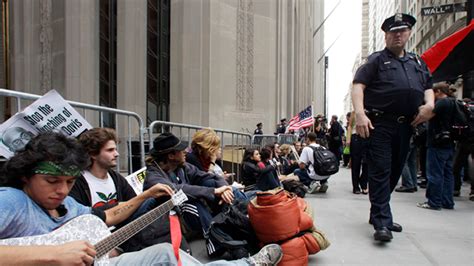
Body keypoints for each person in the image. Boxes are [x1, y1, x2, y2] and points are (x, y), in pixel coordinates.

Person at [0, 132, 283, 265]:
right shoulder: (12, 201)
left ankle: (243, 264)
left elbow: (108, 216)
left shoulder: (69, 205)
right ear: (26, 174)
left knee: (164, 254)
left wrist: (147, 196)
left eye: (70, 181)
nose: (62, 189)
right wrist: (52, 254)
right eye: (52, 181)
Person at [352, 13, 434, 242]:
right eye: (393, 32)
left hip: (407, 125)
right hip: (381, 124)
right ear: (386, 35)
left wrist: (430, 105)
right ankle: (382, 221)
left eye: (402, 31)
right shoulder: (377, 60)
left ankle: (379, 213)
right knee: (381, 171)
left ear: (408, 33)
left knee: (396, 170)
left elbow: (428, 85)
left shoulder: (417, 62)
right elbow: (358, 85)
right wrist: (359, 113)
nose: (398, 35)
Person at [70, 127, 182, 253]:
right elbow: (80, 222)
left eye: (115, 149)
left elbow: (134, 205)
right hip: (94, 243)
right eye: (110, 150)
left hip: (123, 235)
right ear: (93, 154)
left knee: (154, 203)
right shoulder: (77, 182)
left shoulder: (116, 178)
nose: (116, 154)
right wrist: (146, 195)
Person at [143, 133, 234, 239]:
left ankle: (238, 224)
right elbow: (176, 189)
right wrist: (214, 191)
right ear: (171, 156)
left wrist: (226, 189)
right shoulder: (153, 176)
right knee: (190, 200)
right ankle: (217, 240)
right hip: (169, 222)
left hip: (187, 216)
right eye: (181, 150)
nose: (185, 151)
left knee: (213, 185)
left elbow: (211, 177)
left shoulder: (182, 167)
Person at [417, 82, 457, 210]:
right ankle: (447, 201)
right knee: (447, 173)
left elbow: (426, 116)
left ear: (438, 91)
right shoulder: (453, 102)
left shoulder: (441, 103)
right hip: (449, 142)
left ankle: (433, 202)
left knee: (435, 173)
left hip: (437, 142)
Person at [346, 111, 368, 194]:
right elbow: (350, 127)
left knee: (367, 162)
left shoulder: (372, 109)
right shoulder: (354, 112)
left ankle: (364, 183)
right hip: (356, 137)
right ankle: (356, 186)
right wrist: (348, 139)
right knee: (356, 163)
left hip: (367, 137)